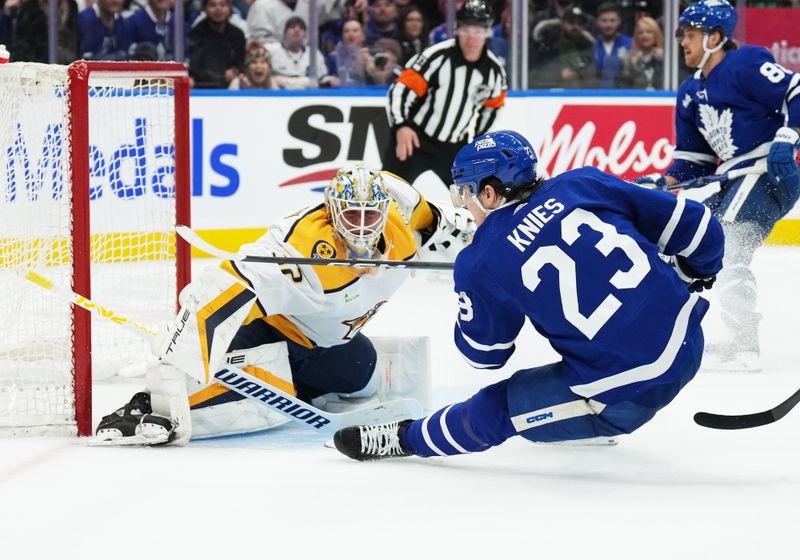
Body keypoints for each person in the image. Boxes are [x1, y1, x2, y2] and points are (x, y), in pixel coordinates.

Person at [332, 129, 724, 462]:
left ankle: (405, 439)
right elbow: (703, 229)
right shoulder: (583, 182)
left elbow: (485, 356)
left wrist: (474, 284)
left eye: (465, 194)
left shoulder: (481, 259)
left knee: (496, 408)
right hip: (690, 342)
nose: (464, 205)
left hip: (627, 395)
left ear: (489, 194)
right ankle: (574, 417)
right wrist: (694, 273)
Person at [93, 163, 476, 445]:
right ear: (331, 211)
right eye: (350, 214)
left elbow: (449, 227)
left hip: (323, 344)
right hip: (267, 329)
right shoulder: (298, 248)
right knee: (247, 398)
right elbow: (224, 285)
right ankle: (144, 405)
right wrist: (173, 366)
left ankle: (293, 384)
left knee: (361, 370)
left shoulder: (405, 228)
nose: (361, 226)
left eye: (370, 214)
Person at [634, 0, 800, 372]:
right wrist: (663, 182)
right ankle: (671, 334)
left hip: (767, 176)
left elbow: (796, 90)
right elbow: (695, 161)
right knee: (686, 245)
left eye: (691, 35)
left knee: (729, 245)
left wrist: (789, 135)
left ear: (717, 37)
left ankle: (745, 340)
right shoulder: (690, 92)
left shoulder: (746, 63)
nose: (684, 43)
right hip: (734, 180)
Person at [383, 0, 506, 190]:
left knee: (472, 201)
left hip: (455, 148)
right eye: (466, 29)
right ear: (457, 29)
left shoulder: (494, 71)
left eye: (478, 31)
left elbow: (492, 109)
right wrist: (401, 126)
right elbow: (400, 90)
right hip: (415, 139)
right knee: (390, 192)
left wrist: (477, 143)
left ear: (488, 32)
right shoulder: (436, 56)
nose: (471, 38)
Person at [188, 0, 246, 89]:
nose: (218, 9)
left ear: (230, 7)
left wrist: (235, 70)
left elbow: (242, 61)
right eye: (212, 5)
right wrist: (221, 76)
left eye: (222, 5)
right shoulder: (196, 34)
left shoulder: (237, 34)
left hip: (231, 86)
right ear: (204, 8)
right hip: (202, 86)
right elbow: (195, 67)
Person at [616, 16, 663, 90]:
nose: (644, 36)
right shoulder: (628, 61)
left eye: (649, 32)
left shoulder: (665, 60)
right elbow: (622, 86)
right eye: (640, 33)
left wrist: (662, 59)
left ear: (656, 34)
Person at [593, 2, 631, 89]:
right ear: (597, 22)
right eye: (604, 21)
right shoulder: (591, 45)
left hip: (624, 95)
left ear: (619, 21)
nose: (608, 25)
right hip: (597, 96)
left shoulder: (631, 44)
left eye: (612, 21)